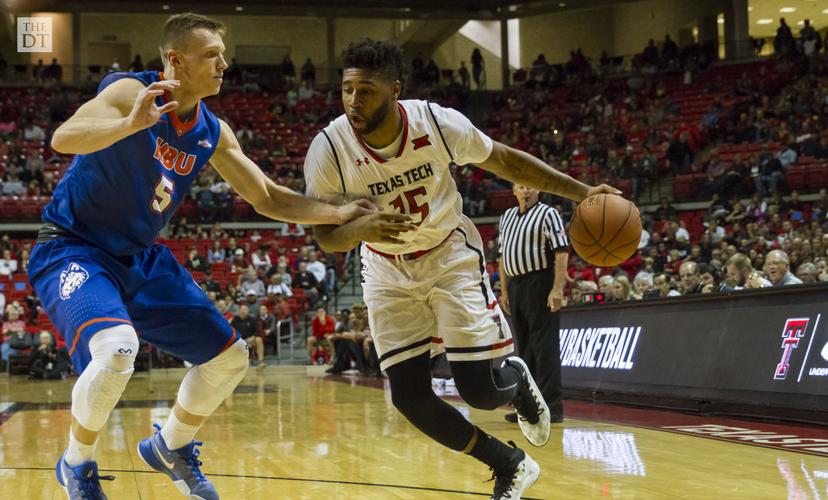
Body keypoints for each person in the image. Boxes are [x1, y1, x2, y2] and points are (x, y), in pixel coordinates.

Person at [29, 13, 373, 499]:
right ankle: (77, 463)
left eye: (222, 55)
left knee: (230, 357)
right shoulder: (132, 93)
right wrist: (129, 125)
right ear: (175, 60)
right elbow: (64, 137)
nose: (224, 65)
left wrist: (338, 212)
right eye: (212, 55)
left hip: (139, 257)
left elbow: (268, 197)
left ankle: (170, 445)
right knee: (117, 350)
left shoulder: (212, 130)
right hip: (73, 246)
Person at [303, 38, 618, 499]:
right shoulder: (328, 148)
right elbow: (325, 234)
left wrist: (582, 191)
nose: (354, 100)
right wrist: (360, 228)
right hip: (386, 270)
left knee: (478, 392)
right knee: (410, 398)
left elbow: (506, 159)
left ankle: (515, 382)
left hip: (447, 256)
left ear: (395, 88)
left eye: (366, 90)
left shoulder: (436, 121)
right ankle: (508, 463)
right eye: (347, 89)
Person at [498, 183, 568, 425]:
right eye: (520, 187)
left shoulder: (549, 213)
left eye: (529, 187)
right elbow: (502, 255)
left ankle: (552, 406)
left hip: (540, 282)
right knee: (524, 348)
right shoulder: (506, 216)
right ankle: (528, 405)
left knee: (544, 346)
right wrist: (504, 291)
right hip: (515, 286)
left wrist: (557, 288)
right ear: (514, 191)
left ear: (539, 190)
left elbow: (561, 252)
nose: (525, 191)